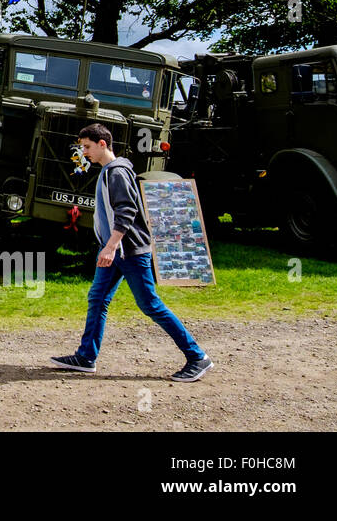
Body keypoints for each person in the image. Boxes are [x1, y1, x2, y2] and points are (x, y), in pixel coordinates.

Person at [50, 123, 214, 382]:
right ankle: (86, 357)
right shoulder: (109, 171)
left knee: (150, 304)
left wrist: (111, 246)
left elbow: (127, 212)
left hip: (129, 252)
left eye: (87, 147)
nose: (85, 153)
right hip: (115, 252)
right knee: (97, 299)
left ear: (102, 144)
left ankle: (197, 357)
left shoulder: (116, 172)